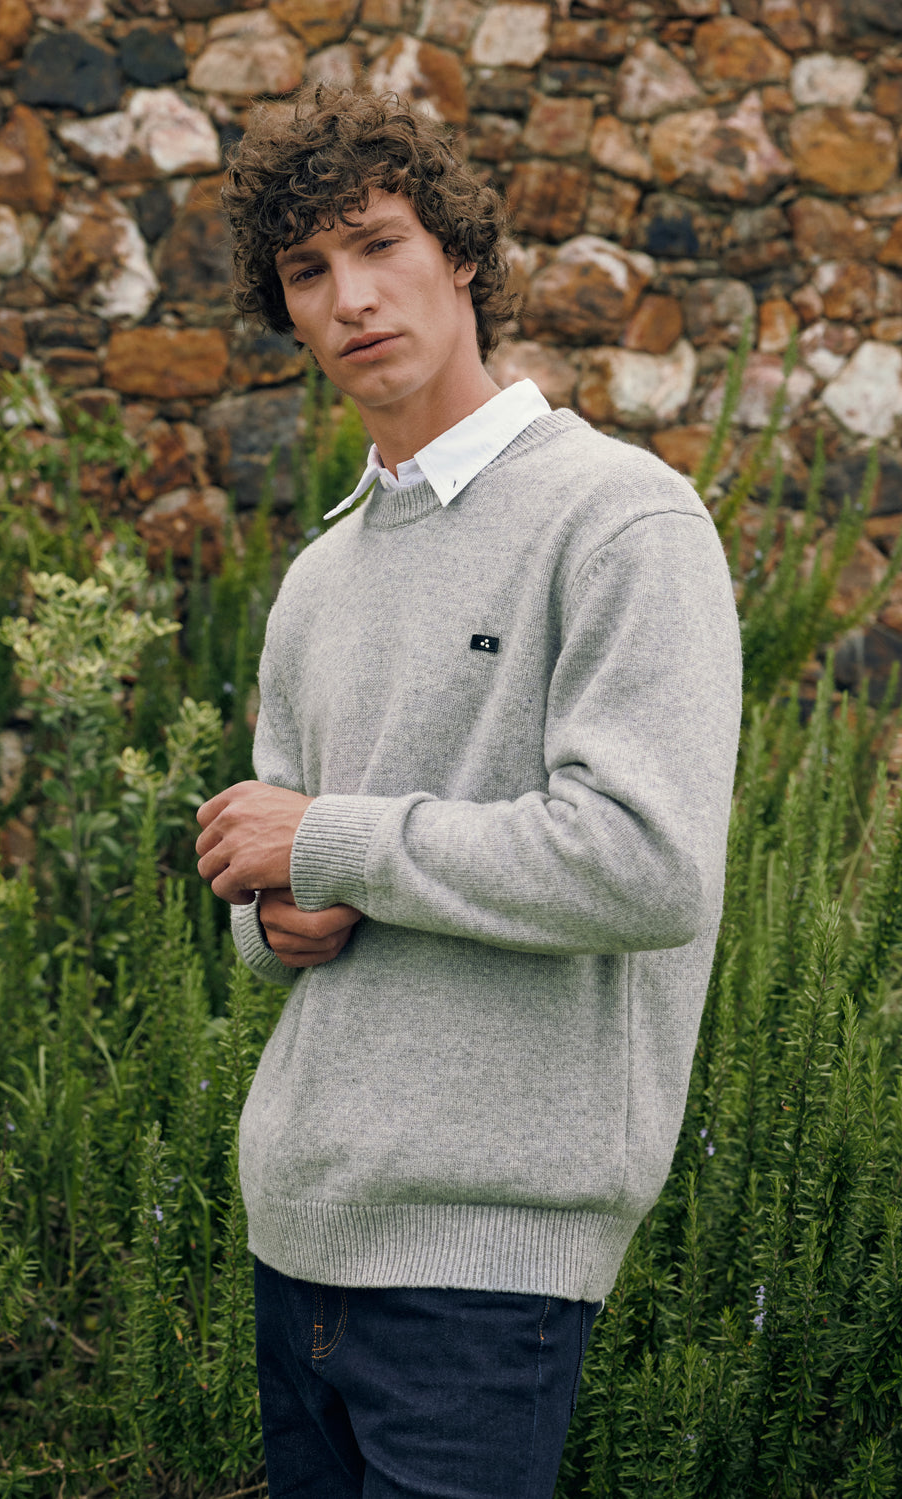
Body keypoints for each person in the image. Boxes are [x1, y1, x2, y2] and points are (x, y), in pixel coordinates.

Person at [195, 84, 742, 1499]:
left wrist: (331, 843)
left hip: (486, 1267)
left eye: (379, 245)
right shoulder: (319, 578)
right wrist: (269, 915)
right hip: (296, 1238)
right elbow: (288, 889)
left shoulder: (620, 519)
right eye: (307, 271)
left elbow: (646, 866)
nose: (350, 298)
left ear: (465, 259)